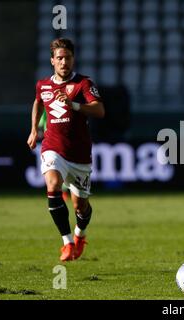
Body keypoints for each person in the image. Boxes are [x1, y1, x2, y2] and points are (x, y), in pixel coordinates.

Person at [27, 38, 105, 261]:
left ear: (73, 59)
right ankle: (67, 242)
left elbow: (99, 110)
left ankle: (80, 236)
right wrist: (33, 130)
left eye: (68, 58)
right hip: (53, 147)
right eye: (59, 58)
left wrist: (74, 105)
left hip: (79, 154)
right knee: (52, 184)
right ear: (52, 61)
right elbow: (38, 102)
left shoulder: (83, 84)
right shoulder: (43, 85)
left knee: (81, 206)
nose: (64, 62)